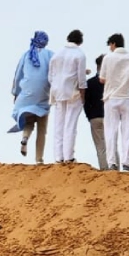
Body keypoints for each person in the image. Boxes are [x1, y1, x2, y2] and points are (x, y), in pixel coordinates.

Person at [99, 33, 129, 172]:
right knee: (127, 131)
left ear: (113, 44)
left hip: (111, 98)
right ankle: (127, 162)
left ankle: (112, 162)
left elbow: (102, 79)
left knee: (111, 131)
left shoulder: (107, 58)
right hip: (127, 97)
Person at [10, 31, 52, 164]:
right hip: (43, 96)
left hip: (26, 96)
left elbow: (17, 76)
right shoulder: (50, 55)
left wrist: (16, 93)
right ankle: (39, 159)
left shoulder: (26, 55)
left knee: (29, 121)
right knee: (42, 128)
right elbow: (61, 68)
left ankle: (25, 138)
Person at [47, 30, 88, 163]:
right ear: (80, 41)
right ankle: (68, 156)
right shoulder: (80, 55)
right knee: (70, 124)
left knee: (58, 124)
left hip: (58, 92)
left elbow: (50, 76)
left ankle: (58, 157)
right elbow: (82, 79)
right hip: (73, 93)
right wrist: (83, 95)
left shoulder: (57, 54)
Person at [84, 54, 108, 170]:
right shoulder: (110, 82)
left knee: (100, 146)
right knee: (112, 144)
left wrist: (89, 115)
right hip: (108, 116)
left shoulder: (90, 83)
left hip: (95, 117)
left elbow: (85, 101)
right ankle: (115, 169)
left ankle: (104, 169)